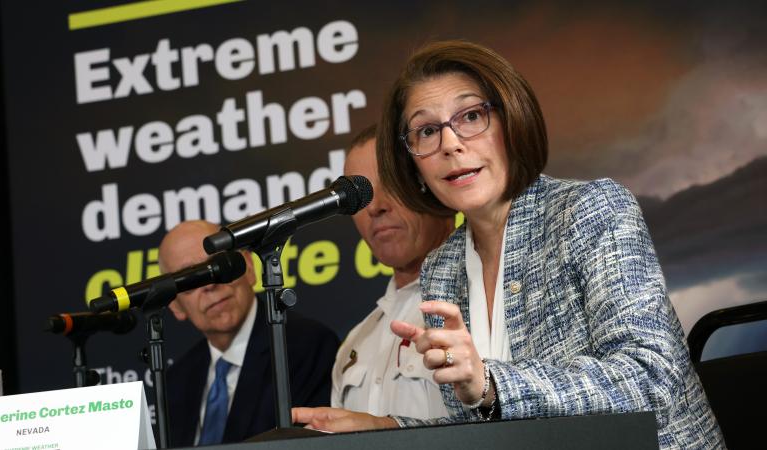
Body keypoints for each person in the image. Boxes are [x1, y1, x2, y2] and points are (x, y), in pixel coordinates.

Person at [293, 40, 723, 449]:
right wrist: (384, 428)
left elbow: (651, 379)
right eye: (426, 131)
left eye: (471, 117)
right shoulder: (442, 268)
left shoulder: (590, 209)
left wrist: (491, 382)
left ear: (511, 120)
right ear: (412, 163)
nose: (450, 144)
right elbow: (478, 423)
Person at [160, 220, 339, 446]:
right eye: (189, 279)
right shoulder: (176, 381)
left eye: (218, 264)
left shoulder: (305, 347)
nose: (209, 285)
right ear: (175, 305)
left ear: (249, 267)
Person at [331, 125, 453, 419]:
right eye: (359, 197)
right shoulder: (355, 342)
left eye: (391, 183)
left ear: (434, 186)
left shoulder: (485, 305)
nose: (374, 207)